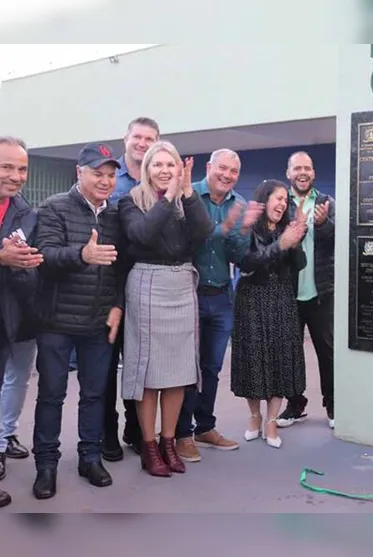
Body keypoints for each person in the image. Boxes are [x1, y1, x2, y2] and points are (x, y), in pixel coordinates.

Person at [31, 143, 127, 500]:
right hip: (56, 320)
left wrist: (118, 305)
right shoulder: (54, 207)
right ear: (79, 173)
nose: (105, 181)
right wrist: (82, 254)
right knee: (51, 394)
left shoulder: (115, 215)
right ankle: (46, 465)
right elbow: (46, 256)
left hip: (99, 323)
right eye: (97, 173)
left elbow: (121, 268)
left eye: (110, 175)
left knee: (95, 394)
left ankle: (90, 457)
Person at [119, 141, 213, 478]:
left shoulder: (187, 199)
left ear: (179, 169)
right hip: (147, 283)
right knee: (148, 372)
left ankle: (169, 441)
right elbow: (142, 235)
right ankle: (148, 445)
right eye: (157, 165)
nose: (164, 170)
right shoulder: (131, 201)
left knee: (177, 371)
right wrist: (169, 197)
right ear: (146, 170)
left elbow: (204, 232)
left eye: (170, 165)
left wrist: (187, 193)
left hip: (181, 286)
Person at [174, 148, 262, 463]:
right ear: (209, 167)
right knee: (186, 370)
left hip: (221, 297)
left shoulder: (238, 204)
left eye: (233, 172)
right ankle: (181, 434)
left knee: (212, 368)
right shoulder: (188, 195)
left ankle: (205, 427)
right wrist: (224, 230)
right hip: (188, 294)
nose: (227, 176)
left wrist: (244, 230)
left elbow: (238, 255)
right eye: (222, 168)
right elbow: (189, 240)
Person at [232, 180, 308, 448]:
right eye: (278, 199)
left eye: (286, 200)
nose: (282, 204)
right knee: (254, 361)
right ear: (265, 201)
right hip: (252, 299)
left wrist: (295, 241)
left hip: (282, 299)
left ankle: (271, 420)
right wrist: (280, 244)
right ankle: (254, 416)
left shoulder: (289, 229)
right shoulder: (249, 228)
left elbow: (300, 265)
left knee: (279, 361)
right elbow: (247, 262)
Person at [102, 116, 160, 461]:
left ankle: (135, 430)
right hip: (110, 286)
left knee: (139, 364)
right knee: (107, 366)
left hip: (146, 287)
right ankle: (107, 433)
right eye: (137, 136)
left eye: (149, 138)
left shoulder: (159, 179)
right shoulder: (112, 179)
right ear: (126, 138)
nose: (142, 143)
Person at [277, 152, 336, 429]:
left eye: (307, 168)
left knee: (327, 351)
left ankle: (334, 405)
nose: (303, 172)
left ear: (313, 173)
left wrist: (323, 225)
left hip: (321, 291)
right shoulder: (279, 202)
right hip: (288, 291)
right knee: (291, 351)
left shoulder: (326, 202)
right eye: (297, 168)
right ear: (288, 173)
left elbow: (336, 241)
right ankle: (295, 404)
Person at [0, 136, 40, 508]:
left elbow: (29, 260)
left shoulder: (27, 212)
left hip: (17, 314)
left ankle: (3, 438)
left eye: (22, 169)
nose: (15, 176)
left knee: (16, 380)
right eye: (7, 167)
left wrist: (30, 266)